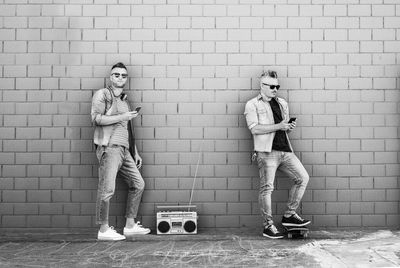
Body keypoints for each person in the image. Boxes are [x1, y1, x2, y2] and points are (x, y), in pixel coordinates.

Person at [244, 70, 311, 239]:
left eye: (277, 86)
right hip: (266, 153)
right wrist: (279, 126)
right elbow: (255, 129)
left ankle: (289, 215)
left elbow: (283, 125)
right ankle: (268, 226)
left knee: (302, 178)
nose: (275, 89)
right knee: (267, 188)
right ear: (262, 86)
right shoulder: (252, 104)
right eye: (272, 86)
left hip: (285, 150)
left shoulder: (282, 103)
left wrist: (287, 127)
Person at [91, 62, 150, 241]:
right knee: (107, 189)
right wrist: (122, 116)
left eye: (123, 75)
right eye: (116, 75)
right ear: (110, 77)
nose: (120, 78)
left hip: (125, 151)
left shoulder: (125, 100)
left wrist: (135, 152)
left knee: (138, 184)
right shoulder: (103, 94)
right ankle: (103, 229)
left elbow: (128, 129)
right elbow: (96, 119)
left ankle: (130, 225)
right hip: (109, 149)